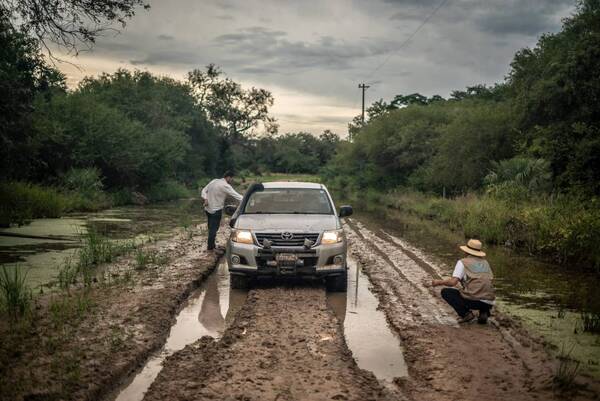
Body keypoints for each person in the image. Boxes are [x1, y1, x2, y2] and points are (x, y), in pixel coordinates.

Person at [427, 239, 495, 324]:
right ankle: (484, 312)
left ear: (466, 252)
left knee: (446, 292)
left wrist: (439, 282)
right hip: (489, 302)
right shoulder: (485, 263)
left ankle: (466, 314)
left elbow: (453, 282)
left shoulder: (463, 262)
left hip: (474, 301)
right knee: (481, 290)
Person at [200, 171, 243, 252]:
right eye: (232, 178)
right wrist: (248, 200)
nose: (232, 180)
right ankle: (211, 248)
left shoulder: (214, 181)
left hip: (208, 209)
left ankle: (212, 245)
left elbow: (203, 190)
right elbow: (237, 196)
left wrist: (205, 198)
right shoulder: (225, 186)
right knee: (213, 229)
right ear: (228, 177)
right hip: (216, 210)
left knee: (211, 228)